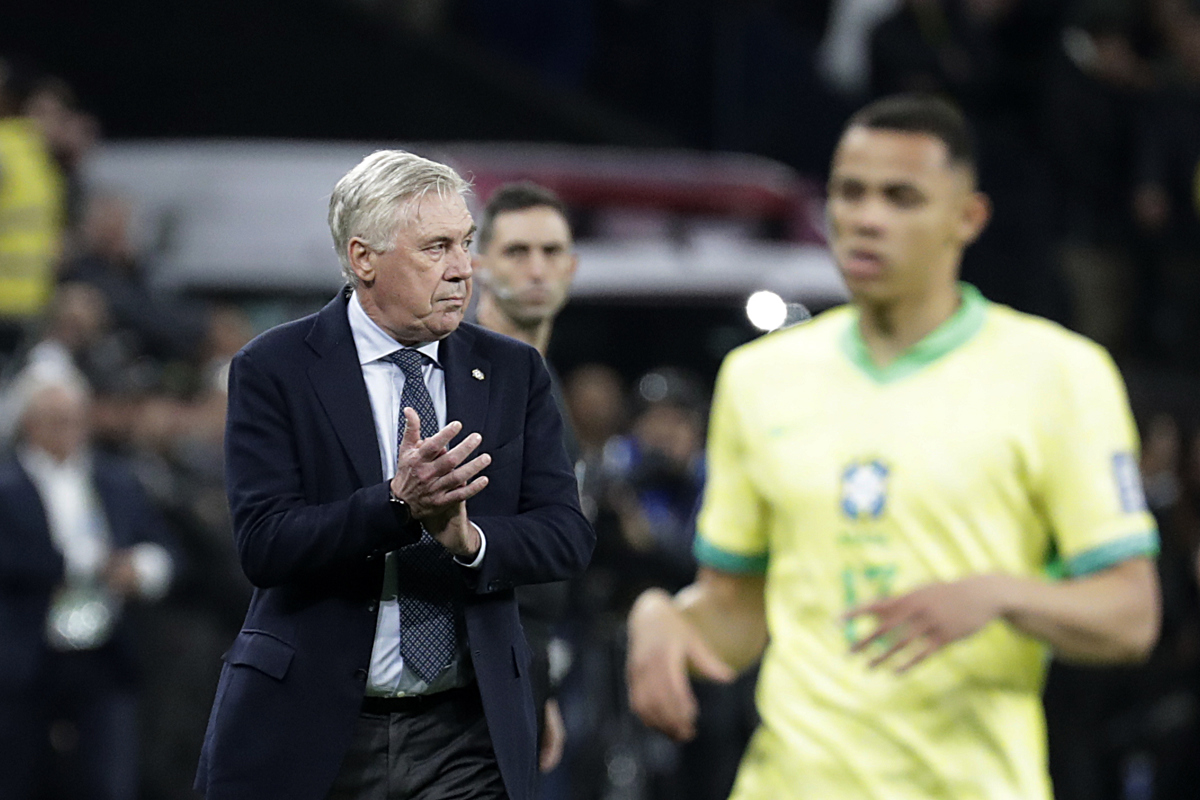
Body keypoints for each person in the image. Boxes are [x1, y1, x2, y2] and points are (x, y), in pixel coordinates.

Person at [626, 93, 1162, 800]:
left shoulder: (1058, 374)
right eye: (850, 193)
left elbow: (1130, 616)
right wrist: (663, 617)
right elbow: (737, 612)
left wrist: (998, 595)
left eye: (902, 197)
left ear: (966, 218)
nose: (866, 218)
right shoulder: (759, 379)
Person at [194, 150, 594, 800]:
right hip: (315, 726)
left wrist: (469, 542)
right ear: (363, 259)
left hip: (465, 734)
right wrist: (396, 504)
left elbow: (566, 535)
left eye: (465, 243)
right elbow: (264, 544)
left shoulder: (515, 371)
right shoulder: (275, 367)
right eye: (436, 248)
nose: (464, 269)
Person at [0, 365, 175, 800]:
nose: (69, 431)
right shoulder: (5, 486)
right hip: (25, 660)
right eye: (56, 420)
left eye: (76, 419)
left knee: (106, 781)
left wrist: (144, 569)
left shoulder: (116, 479)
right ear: (29, 423)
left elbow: (162, 544)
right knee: (20, 778)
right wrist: (85, 564)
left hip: (105, 656)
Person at [471, 181, 580, 776]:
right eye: (517, 252)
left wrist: (544, 682)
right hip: (463, 681)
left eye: (551, 251)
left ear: (573, 266)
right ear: (478, 265)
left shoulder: (544, 385)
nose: (537, 269)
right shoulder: (453, 378)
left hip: (523, 666)